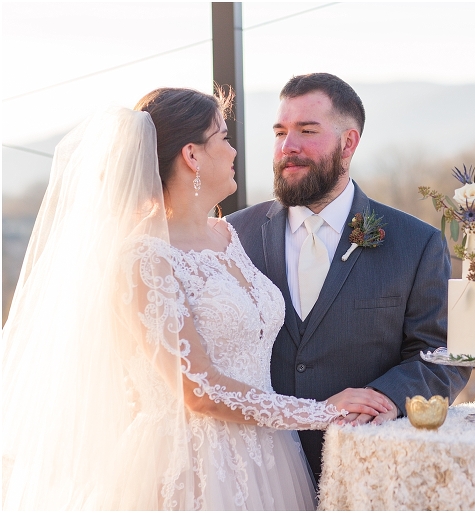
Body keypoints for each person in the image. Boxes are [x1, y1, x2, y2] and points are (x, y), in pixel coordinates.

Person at [1, 88, 393, 510]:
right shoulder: (143, 259)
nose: (234, 151)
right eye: (223, 137)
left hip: (267, 456)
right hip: (191, 466)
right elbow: (199, 390)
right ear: (191, 155)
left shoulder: (227, 235)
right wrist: (321, 412)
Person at [227, 73, 472, 481]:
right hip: (252, 473)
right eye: (280, 132)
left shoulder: (415, 243)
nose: (288, 146)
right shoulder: (232, 236)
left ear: (349, 142)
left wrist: (383, 398)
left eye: (307, 131)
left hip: (370, 470)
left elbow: (440, 355)